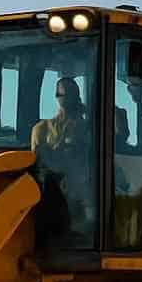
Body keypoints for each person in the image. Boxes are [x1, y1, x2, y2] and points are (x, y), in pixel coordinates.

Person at [31, 76, 97, 247]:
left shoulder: (89, 127)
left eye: (72, 95)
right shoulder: (42, 129)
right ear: (57, 98)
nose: (67, 99)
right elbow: (40, 164)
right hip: (54, 194)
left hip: (82, 194)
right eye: (63, 95)